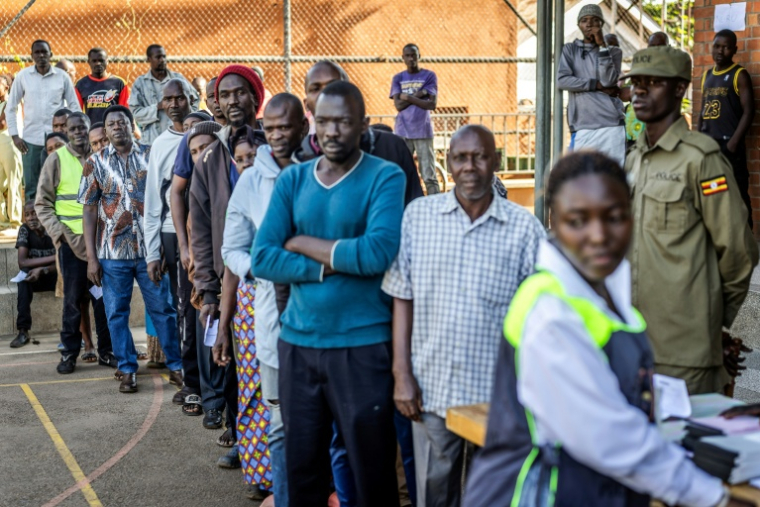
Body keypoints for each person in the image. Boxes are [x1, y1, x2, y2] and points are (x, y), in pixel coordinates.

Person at [463, 151, 745, 507]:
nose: (598, 236)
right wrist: (713, 498)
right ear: (554, 220)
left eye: (614, 217)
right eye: (577, 220)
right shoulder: (551, 313)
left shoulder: (608, 287)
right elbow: (612, 439)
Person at [252, 81, 404, 506]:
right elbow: (263, 258)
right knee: (303, 475)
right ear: (313, 124)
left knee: (371, 474)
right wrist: (328, 266)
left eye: (344, 121)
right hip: (298, 345)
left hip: (362, 347)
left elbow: (377, 252)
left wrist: (299, 242)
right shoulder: (293, 180)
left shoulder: (384, 176)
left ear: (362, 126)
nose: (332, 131)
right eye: (324, 121)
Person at [382, 125, 544, 507]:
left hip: (500, 396)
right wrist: (402, 375)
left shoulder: (525, 229)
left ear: (497, 163)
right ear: (448, 163)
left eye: (480, 156)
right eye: (460, 157)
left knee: (494, 496)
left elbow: (543, 316)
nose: (470, 166)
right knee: (435, 493)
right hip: (432, 388)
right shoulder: (419, 217)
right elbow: (402, 297)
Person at [625, 46, 758, 395]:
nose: (639, 91)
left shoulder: (701, 159)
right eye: (635, 82)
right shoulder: (634, 159)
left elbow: (739, 250)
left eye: (652, 82)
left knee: (687, 445)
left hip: (686, 351)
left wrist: (712, 321)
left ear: (680, 89)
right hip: (635, 342)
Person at [217, 93, 310, 506]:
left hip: (327, 318)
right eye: (269, 129)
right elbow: (231, 249)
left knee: (328, 425)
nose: (277, 136)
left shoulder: (322, 173)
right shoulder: (252, 182)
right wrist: (261, 267)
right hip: (275, 318)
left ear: (304, 128)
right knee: (279, 424)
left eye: (285, 127)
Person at [77, 104, 181, 394]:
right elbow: (89, 211)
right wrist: (91, 258)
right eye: (111, 124)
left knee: (163, 309)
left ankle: (176, 365)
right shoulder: (94, 162)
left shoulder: (151, 154)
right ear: (106, 130)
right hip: (112, 255)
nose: (116, 127)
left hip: (151, 252)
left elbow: (169, 197)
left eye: (122, 122)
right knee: (116, 312)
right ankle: (127, 369)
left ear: (131, 124)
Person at [190, 64, 264, 460]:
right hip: (231, 282)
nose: (232, 100)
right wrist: (207, 291)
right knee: (235, 365)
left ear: (256, 96)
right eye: (225, 93)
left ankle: (282, 450)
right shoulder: (209, 161)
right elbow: (201, 232)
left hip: (279, 278)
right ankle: (244, 443)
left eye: (240, 92)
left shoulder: (275, 146)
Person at [35, 111, 115, 373]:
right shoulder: (56, 160)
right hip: (70, 243)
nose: (79, 132)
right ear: (67, 132)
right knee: (72, 302)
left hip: (102, 243)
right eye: (73, 129)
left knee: (103, 301)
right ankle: (69, 353)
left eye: (83, 128)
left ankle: (106, 351)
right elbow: (42, 203)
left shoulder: (101, 156)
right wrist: (58, 234)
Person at [297, 60, 423, 206]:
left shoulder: (392, 148)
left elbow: (415, 211)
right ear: (306, 104)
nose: (326, 94)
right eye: (315, 88)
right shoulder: (299, 160)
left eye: (333, 85)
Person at [144, 79, 194, 397]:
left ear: (189, 99)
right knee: (180, 306)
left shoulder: (208, 133)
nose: (174, 103)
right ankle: (188, 373)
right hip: (170, 235)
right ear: (162, 104)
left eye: (179, 98)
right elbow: (152, 202)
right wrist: (152, 252)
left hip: (205, 234)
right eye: (168, 99)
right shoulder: (161, 145)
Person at [6, 40, 80, 202]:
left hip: (59, 142)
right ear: (32, 55)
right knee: (32, 189)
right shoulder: (23, 77)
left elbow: (75, 107)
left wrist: (74, 136)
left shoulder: (62, 77)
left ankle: (57, 226)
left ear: (50, 55)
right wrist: (15, 136)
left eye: (44, 52)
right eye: (37, 52)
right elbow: (10, 107)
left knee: (59, 185)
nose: (41, 56)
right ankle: (34, 227)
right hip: (31, 142)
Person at [697, 29, 755, 228]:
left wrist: (732, 143)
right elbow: (702, 112)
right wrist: (698, 140)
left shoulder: (739, 75)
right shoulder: (707, 76)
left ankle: (747, 245)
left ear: (734, 50)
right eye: (717, 46)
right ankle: (719, 243)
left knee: (738, 197)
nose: (720, 51)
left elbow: (749, 112)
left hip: (730, 148)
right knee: (713, 196)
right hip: (709, 147)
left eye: (726, 47)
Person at [558, 4, 625, 167]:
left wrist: (602, 46)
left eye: (595, 20)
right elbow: (562, 80)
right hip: (583, 126)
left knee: (613, 181)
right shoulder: (570, 50)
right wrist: (595, 84)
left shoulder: (613, 52)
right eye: (584, 20)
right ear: (579, 25)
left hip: (611, 126)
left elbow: (609, 81)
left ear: (601, 24)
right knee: (580, 181)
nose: (589, 24)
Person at [390, 44, 439, 195]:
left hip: (422, 131)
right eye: (408, 55)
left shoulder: (429, 76)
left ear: (419, 56)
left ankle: (436, 209)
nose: (411, 58)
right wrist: (420, 94)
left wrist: (408, 97)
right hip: (402, 130)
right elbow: (398, 105)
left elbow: (431, 105)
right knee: (401, 172)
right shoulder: (398, 78)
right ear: (403, 58)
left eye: (414, 55)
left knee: (429, 175)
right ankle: (404, 205)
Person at [128, 44, 198, 145]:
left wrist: (186, 119)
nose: (162, 60)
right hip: (151, 142)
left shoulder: (178, 79)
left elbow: (194, 100)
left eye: (164, 56)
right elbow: (136, 114)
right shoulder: (140, 83)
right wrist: (157, 107)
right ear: (149, 59)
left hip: (179, 139)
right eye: (158, 57)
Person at [11, 200, 57, 348]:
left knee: (71, 275)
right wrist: (55, 257)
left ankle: (76, 332)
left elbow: (65, 261)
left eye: (34, 213)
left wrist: (43, 268)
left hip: (55, 274)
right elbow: (22, 262)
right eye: (27, 215)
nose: (31, 218)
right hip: (35, 276)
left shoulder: (54, 228)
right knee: (23, 278)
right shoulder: (24, 230)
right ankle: (23, 331)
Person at [623, 33, 669, 148]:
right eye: (652, 46)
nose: (655, 50)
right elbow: (626, 93)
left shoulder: (671, 70)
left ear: (667, 47)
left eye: (660, 46)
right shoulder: (640, 67)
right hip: (634, 132)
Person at [75, 48, 131, 125]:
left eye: (101, 60)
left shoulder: (120, 83)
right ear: (89, 62)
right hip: (91, 131)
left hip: (113, 130)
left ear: (107, 61)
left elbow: (125, 112)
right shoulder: (81, 85)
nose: (98, 63)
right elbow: (77, 113)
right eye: (94, 61)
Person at [0, 74, 23, 232]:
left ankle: (14, 223)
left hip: (10, 144)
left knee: (13, 183)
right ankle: (3, 222)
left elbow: (3, 123)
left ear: (6, 87)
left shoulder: (11, 102)